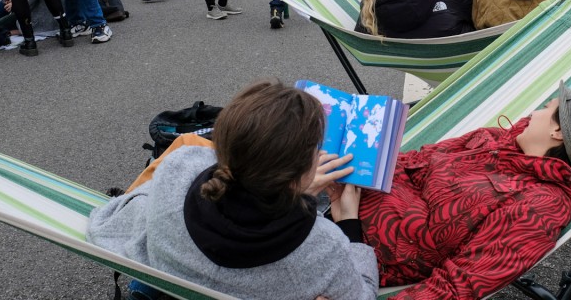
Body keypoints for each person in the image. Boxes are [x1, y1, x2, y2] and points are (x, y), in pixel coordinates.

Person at [86, 79, 379, 300]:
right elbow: (362, 295)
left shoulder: (179, 166)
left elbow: (124, 214)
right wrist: (349, 223)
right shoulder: (320, 247)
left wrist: (295, 194)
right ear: (300, 172)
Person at [358, 82, 571, 299]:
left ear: (557, 131)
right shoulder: (498, 139)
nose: (532, 113)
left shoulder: (540, 206)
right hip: (352, 186)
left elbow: (458, 286)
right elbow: (419, 157)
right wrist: (358, 163)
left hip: (360, 247)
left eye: (546, 108)